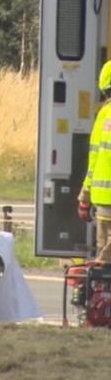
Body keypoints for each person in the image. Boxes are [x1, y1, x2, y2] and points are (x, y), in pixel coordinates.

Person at [79, 60, 111, 260]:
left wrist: (85, 194)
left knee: (104, 256)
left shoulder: (102, 116)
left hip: (101, 201)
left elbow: (94, 158)